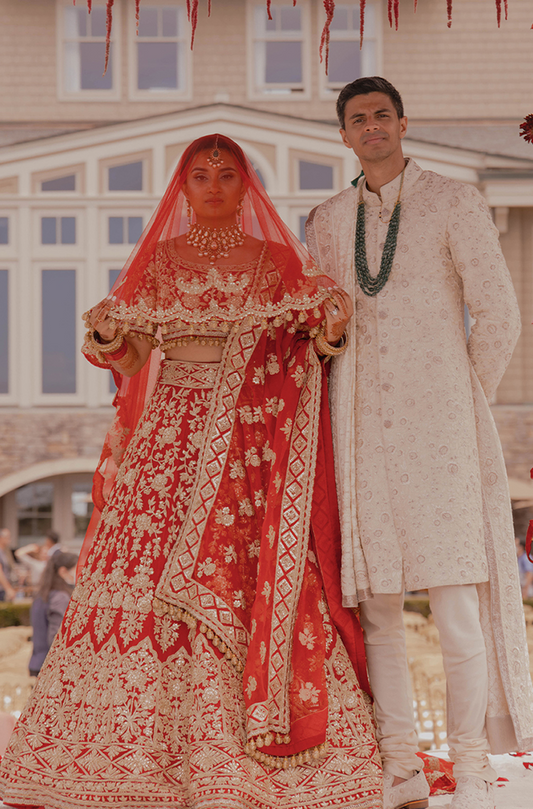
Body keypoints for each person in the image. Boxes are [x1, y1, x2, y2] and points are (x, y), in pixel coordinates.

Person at [0, 135, 381, 809]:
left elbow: (312, 344)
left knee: (239, 579)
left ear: (244, 185)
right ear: (182, 186)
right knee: (142, 579)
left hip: (249, 446)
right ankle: (137, 758)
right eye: (199, 175)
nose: (211, 185)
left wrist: (328, 326)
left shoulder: (275, 262)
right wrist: (111, 334)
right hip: (168, 439)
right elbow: (131, 358)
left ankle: (236, 763)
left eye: (225, 174)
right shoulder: (160, 262)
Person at [305, 77, 533, 809]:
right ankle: (399, 765)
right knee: (377, 608)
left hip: (444, 433)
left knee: (455, 602)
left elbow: (496, 311)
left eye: (380, 115)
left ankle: (467, 764)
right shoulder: (328, 220)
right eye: (356, 119)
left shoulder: (452, 201)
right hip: (360, 432)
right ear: (342, 136)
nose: (370, 127)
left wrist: (463, 394)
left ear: (402, 123)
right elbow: (323, 320)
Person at [0, 528, 15, 603]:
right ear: (1, 538)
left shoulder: (4, 552)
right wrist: (8, 589)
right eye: (8, 537)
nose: (10, 540)